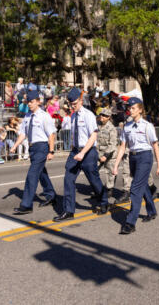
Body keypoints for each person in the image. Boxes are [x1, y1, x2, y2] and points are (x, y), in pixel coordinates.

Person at [54, 87, 109, 221]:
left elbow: (93, 135)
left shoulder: (88, 115)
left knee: (93, 180)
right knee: (68, 178)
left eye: (74, 104)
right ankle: (69, 211)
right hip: (76, 151)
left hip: (88, 151)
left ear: (80, 100)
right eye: (71, 104)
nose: (73, 107)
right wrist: (74, 149)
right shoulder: (73, 116)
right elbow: (75, 134)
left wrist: (83, 153)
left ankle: (103, 202)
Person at [112, 97, 159, 234]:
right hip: (133, 157)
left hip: (145, 156)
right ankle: (152, 211)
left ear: (140, 109)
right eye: (129, 108)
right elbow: (123, 147)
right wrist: (116, 165)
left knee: (135, 188)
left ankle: (130, 222)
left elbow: (155, 145)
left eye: (133, 108)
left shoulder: (147, 126)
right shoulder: (127, 126)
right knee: (143, 184)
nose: (130, 110)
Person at [10, 90, 58, 214]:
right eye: (28, 102)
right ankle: (51, 195)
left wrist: (51, 151)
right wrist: (15, 146)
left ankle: (26, 205)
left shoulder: (44, 116)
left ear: (37, 101)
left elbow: (51, 134)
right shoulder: (27, 116)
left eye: (31, 102)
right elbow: (23, 134)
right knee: (41, 173)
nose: (29, 104)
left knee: (32, 175)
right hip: (32, 148)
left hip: (42, 147)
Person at [96, 108, 118, 197]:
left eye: (104, 116)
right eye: (101, 115)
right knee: (93, 170)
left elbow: (112, 144)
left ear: (109, 117)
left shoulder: (111, 128)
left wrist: (105, 155)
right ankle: (97, 188)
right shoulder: (97, 125)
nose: (102, 117)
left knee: (110, 173)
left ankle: (109, 190)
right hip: (98, 153)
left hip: (109, 154)